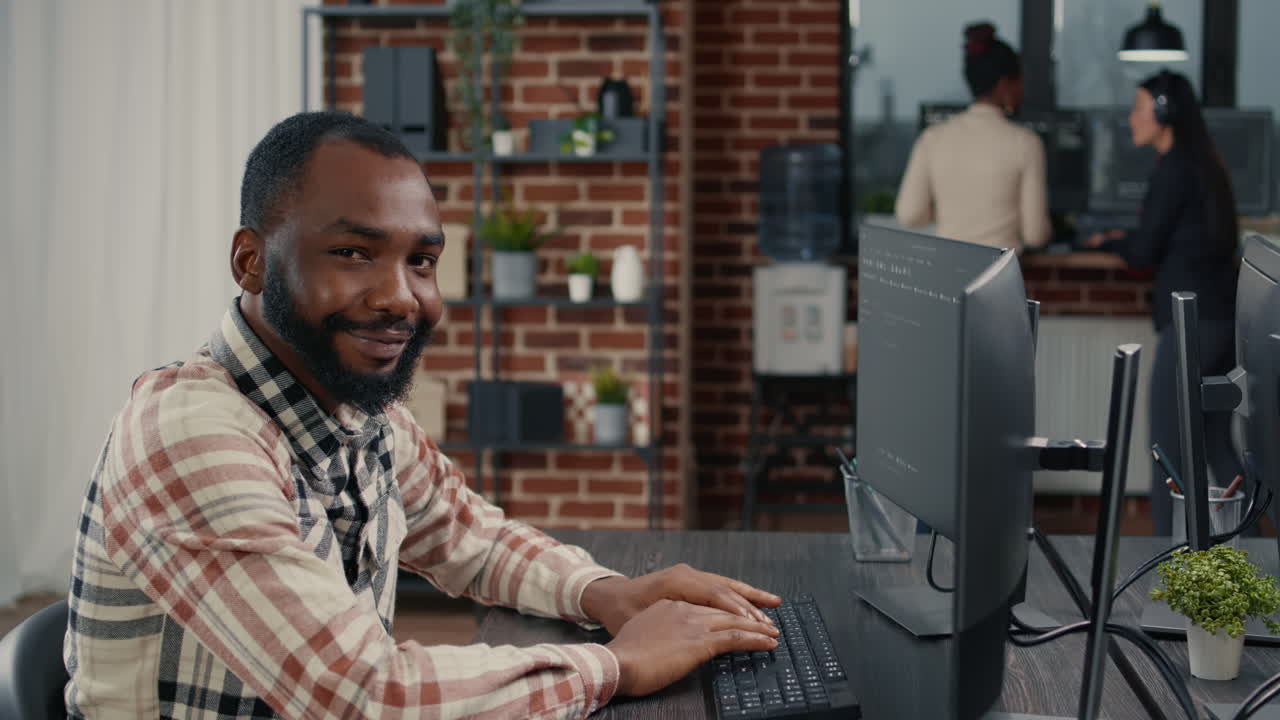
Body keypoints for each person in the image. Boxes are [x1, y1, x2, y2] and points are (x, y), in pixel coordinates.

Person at [64, 112, 781, 719]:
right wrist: (616, 666)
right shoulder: (188, 434)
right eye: (353, 252)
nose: (401, 297)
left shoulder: (352, 406)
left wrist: (610, 593)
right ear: (251, 262)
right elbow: (362, 694)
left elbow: (468, 537)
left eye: (421, 261)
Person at [1085, 70, 1242, 535]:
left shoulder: (1174, 169)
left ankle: (1164, 561)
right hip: (1220, 319)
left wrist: (1105, 242)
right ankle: (1260, 555)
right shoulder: (1201, 165)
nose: (1131, 118)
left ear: (1164, 112)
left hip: (1190, 324)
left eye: (1137, 108)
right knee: (1215, 443)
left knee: (1167, 449)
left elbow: (1144, 251)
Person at [894, 21, 1051, 252]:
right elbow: (1035, 234)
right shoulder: (1026, 142)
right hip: (999, 279)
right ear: (1005, 84)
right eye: (1020, 83)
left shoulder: (933, 138)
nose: (1022, 91)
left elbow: (909, 215)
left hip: (946, 277)